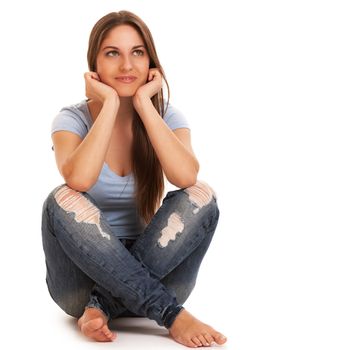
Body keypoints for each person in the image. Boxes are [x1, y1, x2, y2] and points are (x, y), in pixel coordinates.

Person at [41, 10, 227, 348]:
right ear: (94, 64)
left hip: (159, 268)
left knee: (202, 195)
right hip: (79, 284)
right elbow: (78, 180)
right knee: (60, 199)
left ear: (150, 61)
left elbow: (185, 177)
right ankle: (170, 314)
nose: (127, 65)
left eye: (137, 53)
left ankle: (103, 306)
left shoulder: (167, 115)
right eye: (113, 53)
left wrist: (144, 104)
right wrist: (109, 102)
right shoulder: (70, 119)